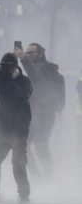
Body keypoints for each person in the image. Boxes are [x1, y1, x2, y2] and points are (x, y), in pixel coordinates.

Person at [0, 53, 33, 203]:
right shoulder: (0, 79)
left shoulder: (24, 81)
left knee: (18, 164)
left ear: (16, 66)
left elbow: (22, 95)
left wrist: (7, 80)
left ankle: (24, 195)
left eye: (9, 66)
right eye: (4, 66)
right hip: (3, 128)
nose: (6, 69)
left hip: (20, 129)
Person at [14, 43, 65, 175]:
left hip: (43, 114)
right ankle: (45, 177)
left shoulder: (46, 69)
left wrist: (23, 58)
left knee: (27, 145)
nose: (29, 55)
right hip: (37, 114)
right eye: (28, 53)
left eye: (32, 53)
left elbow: (36, 76)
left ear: (41, 54)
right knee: (37, 145)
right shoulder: (46, 70)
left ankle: (42, 177)